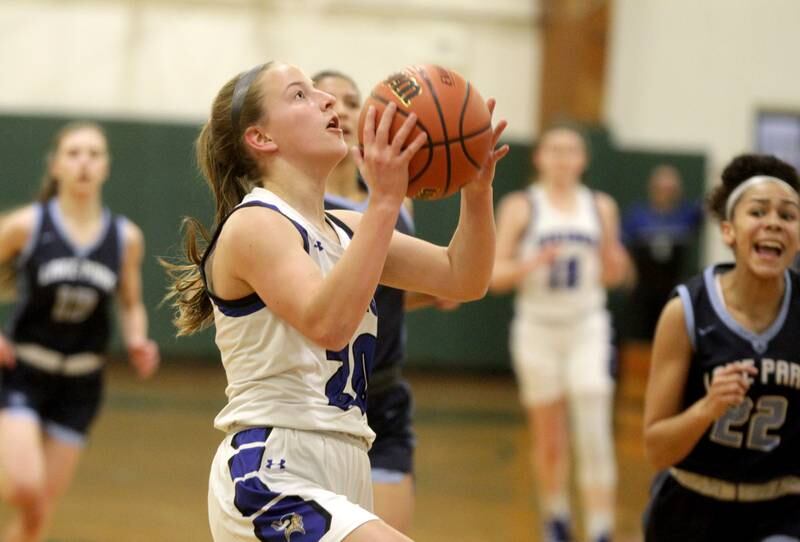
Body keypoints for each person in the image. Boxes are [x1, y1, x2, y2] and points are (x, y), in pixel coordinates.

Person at [163, 61, 507, 541]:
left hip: (347, 461)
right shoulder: (256, 223)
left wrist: (476, 189)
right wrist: (385, 202)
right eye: (300, 95)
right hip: (274, 469)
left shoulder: (343, 226)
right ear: (261, 138)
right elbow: (327, 323)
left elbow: (463, 276)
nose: (327, 101)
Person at [312, 70, 458, 533]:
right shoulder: (301, 205)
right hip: (322, 395)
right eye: (326, 99)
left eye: (352, 100)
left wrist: (428, 292)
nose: (342, 109)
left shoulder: (394, 196)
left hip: (385, 394)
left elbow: (382, 295)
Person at [0, 121, 160, 542]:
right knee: (23, 486)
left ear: (106, 166)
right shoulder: (27, 225)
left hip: (81, 384)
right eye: (74, 153)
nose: (84, 162)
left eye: (94, 153)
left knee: (38, 514)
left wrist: (138, 339)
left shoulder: (125, 237)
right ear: (55, 166)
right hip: (24, 370)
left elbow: (129, 302)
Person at [643, 154, 800, 542]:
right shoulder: (686, 311)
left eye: (788, 215)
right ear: (729, 231)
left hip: (780, 510)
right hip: (691, 505)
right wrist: (707, 408)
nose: (774, 223)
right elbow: (657, 450)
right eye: (758, 212)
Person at [490, 123, 630, 542]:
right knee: (550, 436)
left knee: (593, 425)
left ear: (583, 160)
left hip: (587, 324)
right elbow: (494, 276)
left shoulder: (600, 206)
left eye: (571, 150)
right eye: (554, 149)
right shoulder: (521, 205)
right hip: (537, 327)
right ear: (539, 157)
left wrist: (614, 256)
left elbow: (615, 274)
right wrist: (529, 264)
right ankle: (556, 517)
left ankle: (602, 527)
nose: (563, 157)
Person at [622, 165, 703, 340]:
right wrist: (629, 272)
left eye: (670, 188)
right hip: (643, 287)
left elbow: (711, 206)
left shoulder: (687, 214)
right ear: (652, 188)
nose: (665, 192)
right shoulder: (637, 215)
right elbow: (624, 245)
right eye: (661, 188)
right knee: (640, 333)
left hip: (674, 285)